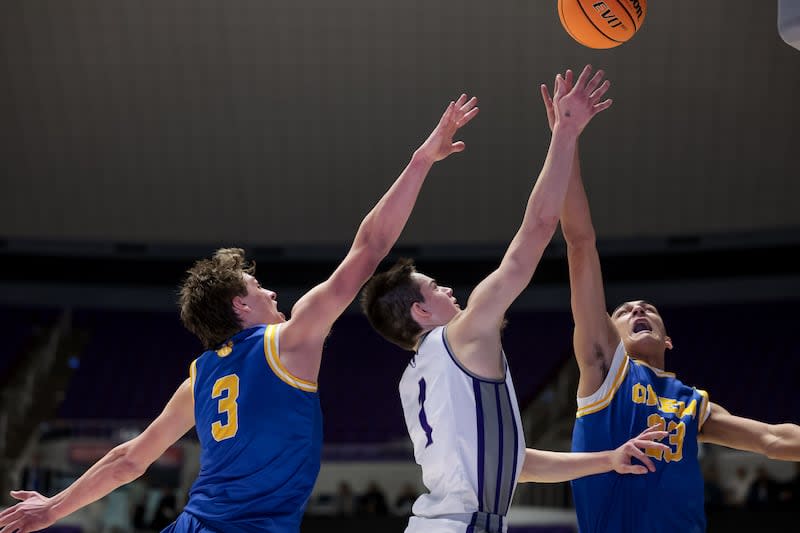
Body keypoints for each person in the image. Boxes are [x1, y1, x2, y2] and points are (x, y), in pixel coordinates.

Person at [0, 94, 480, 533]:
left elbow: (128, 460)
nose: (271, 293)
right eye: (258, 286)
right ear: (239, 304)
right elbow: (370, 247)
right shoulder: (288, 342)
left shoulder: (200, 378)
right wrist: (421, 159)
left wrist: (53, 508)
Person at [360, 65, 668, 533]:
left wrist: (610, 458)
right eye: (434, 288)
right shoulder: (460, 337)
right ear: (421, 312)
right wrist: (565, 132)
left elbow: (517, 463)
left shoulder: (417, 379)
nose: (448, 290)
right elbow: (537, 233)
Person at [542, 69, 800, 533]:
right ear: (609, 332)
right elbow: (580, 241)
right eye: (624, 311)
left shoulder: (689, 403)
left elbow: (772, 439)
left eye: (648, 309)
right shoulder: (605, 370)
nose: (638, 310)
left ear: (669, 339)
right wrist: (566, 138)